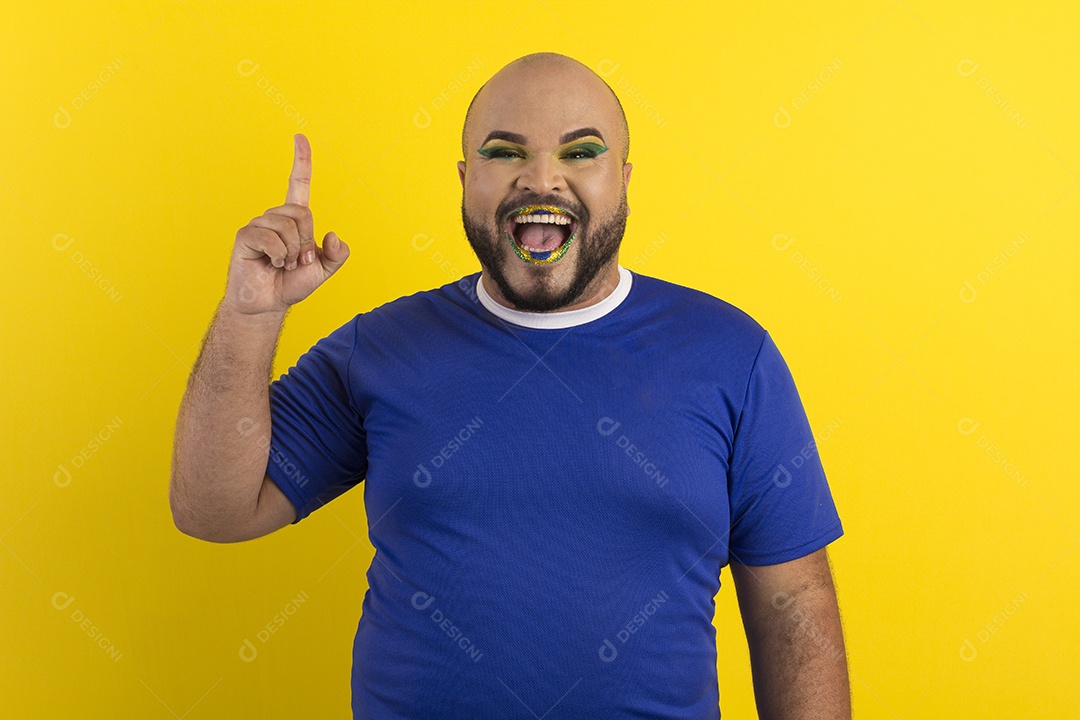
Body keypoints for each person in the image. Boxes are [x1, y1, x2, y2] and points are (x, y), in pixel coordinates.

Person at [170, 52, 850, 719]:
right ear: (466, 179)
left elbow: (792, 607)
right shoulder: (377, 349)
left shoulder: (730, 353)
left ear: (625, 178)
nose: (542, 179)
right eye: (504, 153)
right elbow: (213, 509)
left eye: (581, 153)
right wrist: (248, 316)